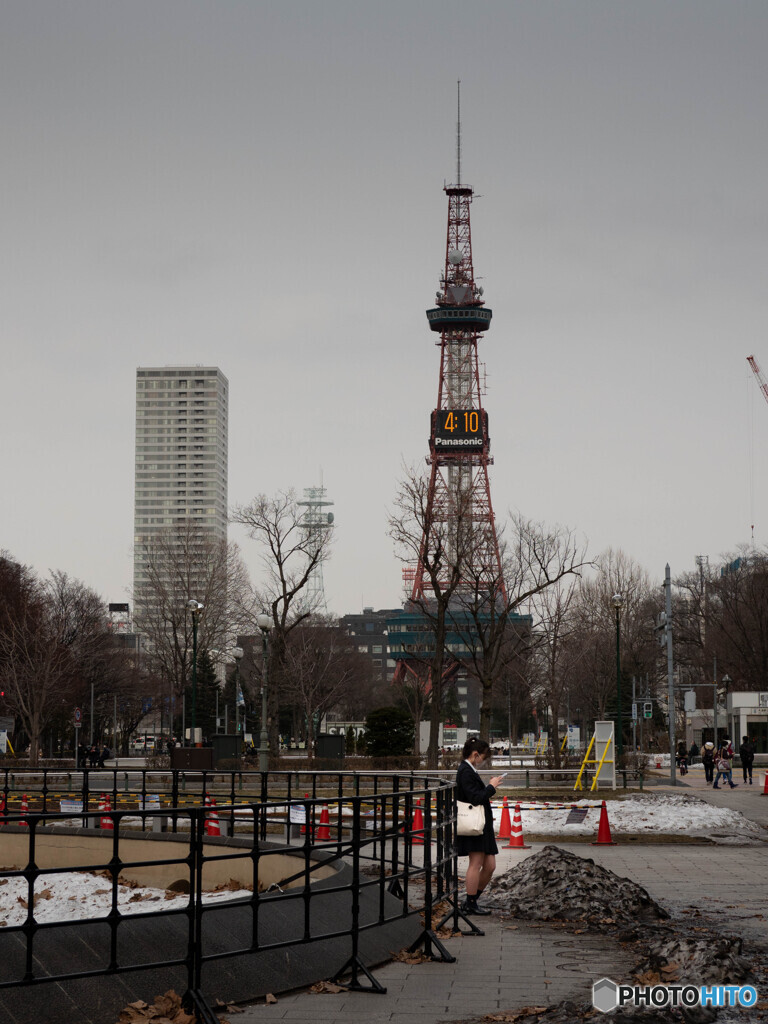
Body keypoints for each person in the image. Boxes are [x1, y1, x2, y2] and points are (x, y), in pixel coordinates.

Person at [455, 736, 504, 916]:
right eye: (483, 757)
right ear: (475, 754)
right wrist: (491, 787)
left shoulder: (468, 770)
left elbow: (475, 795)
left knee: (490, 865)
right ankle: (470, 902)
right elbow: (476, 798)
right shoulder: (466, 771)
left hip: (481, 825)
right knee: (475, 864)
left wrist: (489, 786)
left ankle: (473, 900)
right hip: (475, 826)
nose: (483, 761)